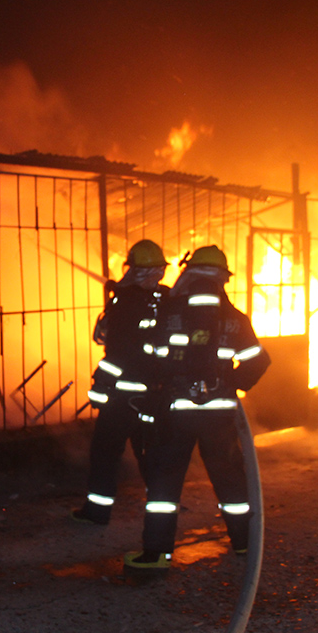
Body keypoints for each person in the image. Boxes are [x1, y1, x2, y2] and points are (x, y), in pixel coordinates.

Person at [124, 245, 270, 570]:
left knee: (164, 484)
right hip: (219, 416)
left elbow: (150, 356)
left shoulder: (170, 312)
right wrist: (231, 383)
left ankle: (156, 555)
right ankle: (246, 545)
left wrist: (163, 386)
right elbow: (259, 361)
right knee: (230, 481)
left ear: (189, 274)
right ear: (222, 277)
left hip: (175, 413)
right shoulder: (234, 319)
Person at [72, 240, 169, 525]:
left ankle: (97, 511)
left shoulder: (126, 302)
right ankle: (163, 510)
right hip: (156, 394)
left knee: (105, 452)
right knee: (151, 455)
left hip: (123, 396)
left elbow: (118, 353)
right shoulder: (165, 299)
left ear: (132, 268)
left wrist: (101, 385)